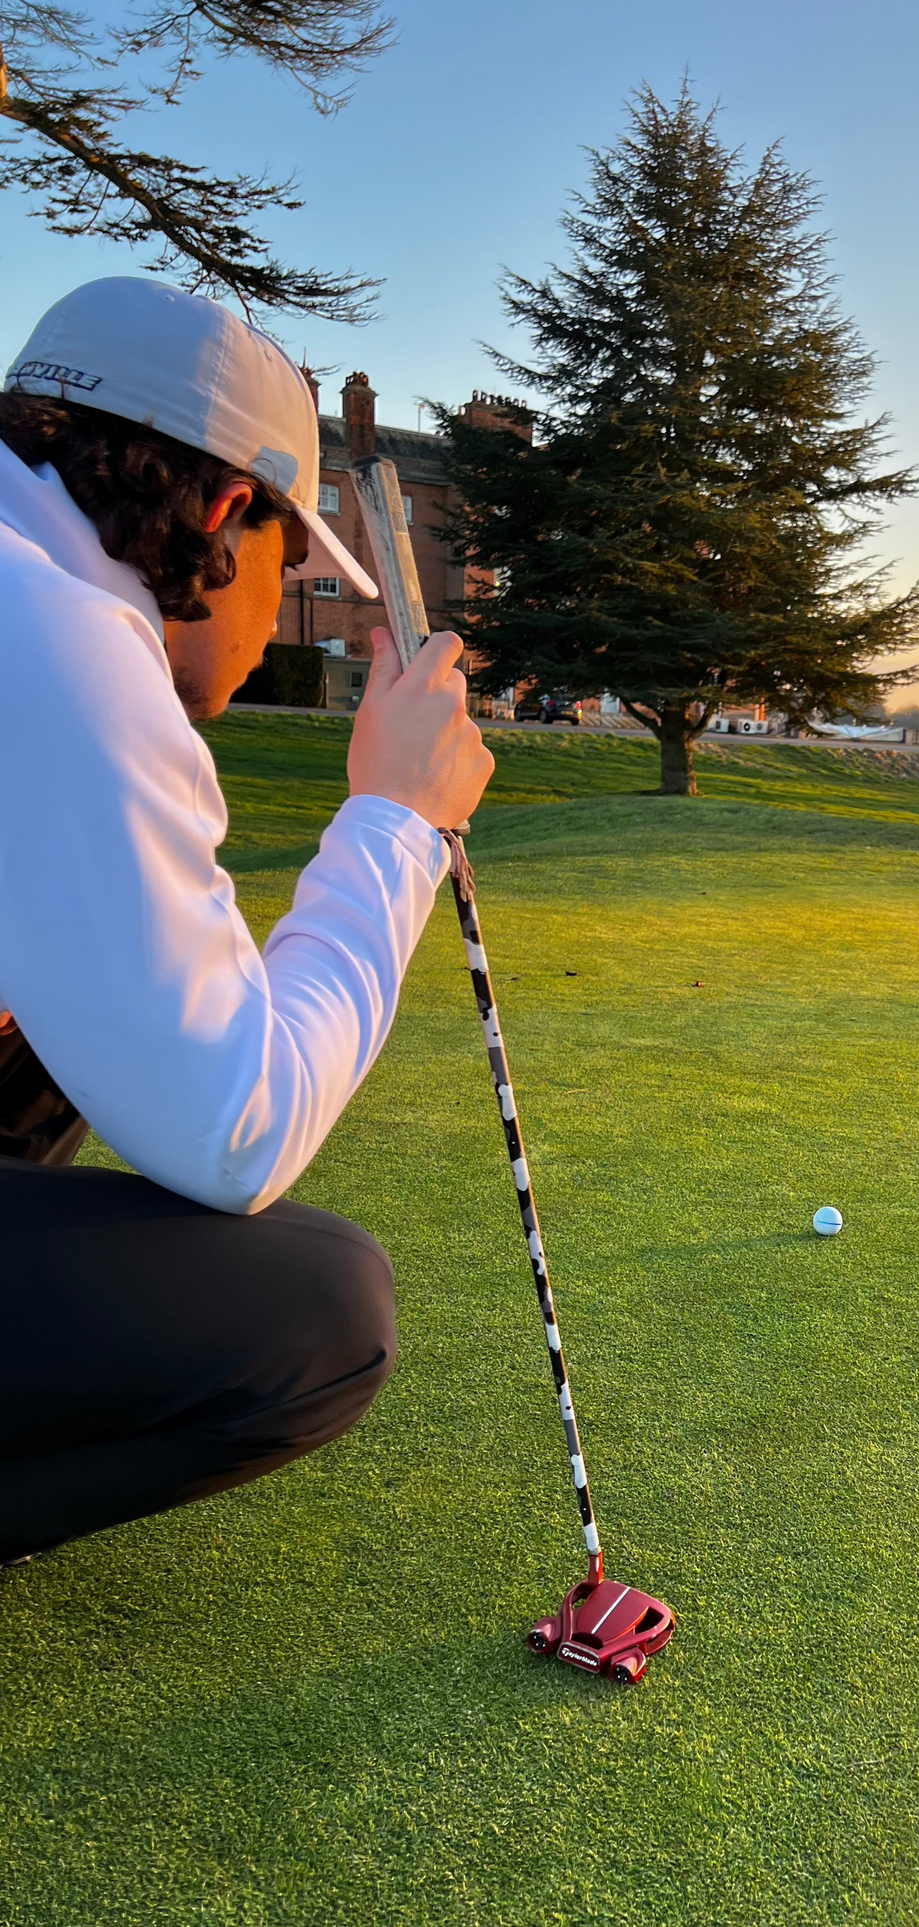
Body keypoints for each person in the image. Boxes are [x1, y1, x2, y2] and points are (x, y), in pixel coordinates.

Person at [0, 277, 493, 1567]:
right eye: (291, 559)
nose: (281, 608)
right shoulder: (59, 640)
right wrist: (398, 820)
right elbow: (237, 1130)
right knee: (323, 1307)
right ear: (225, 512)